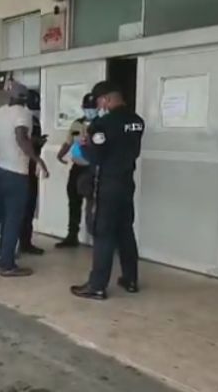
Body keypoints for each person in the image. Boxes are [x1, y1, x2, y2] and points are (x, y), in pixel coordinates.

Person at [71, 81, 144, 300]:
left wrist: (85, 144)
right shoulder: (137, 121)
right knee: (125, 231)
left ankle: (97, 286)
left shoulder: (101, 124)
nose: (99, 105)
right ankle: (130, 279)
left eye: (100, 101)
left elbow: (95, 157)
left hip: (107, 184)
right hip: (126, 183)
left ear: (106, 99)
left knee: (103, 234)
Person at [0, 80, 49, 277]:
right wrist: (37, 158)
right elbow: (20, 137)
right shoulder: (24, 114)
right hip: (17, 173)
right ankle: (7, 264)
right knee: (13, 218)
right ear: (25, 98)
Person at [55, 93, 97, 248]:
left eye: (92, 108)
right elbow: (68, 142)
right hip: (77, 168)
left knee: (93, 204)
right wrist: (60, 154)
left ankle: (96, 238)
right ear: (82, 108)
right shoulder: (76, 124)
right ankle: (72, 235)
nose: (90, 111)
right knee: (73, 201)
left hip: (92, 168)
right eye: (87, 108)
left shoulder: (101, 124)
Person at [19, 89, 48, 255]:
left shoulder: (32, 119)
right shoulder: (25, 119)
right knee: (23, 207)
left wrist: (39, 143)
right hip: (23, 167)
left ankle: (25, 242)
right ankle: (19, 243)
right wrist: (37, 142)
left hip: (29, 167)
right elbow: (23, 142)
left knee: (28, 206)